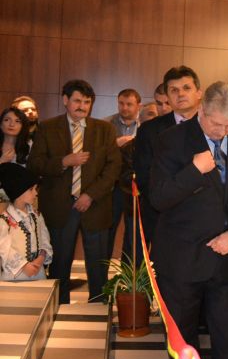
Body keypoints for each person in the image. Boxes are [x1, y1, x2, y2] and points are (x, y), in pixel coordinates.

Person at [149, 81, 228, 359]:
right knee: (184, 339)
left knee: (227, 337)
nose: (223, 132)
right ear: (201, 110)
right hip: (182, 257)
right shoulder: (171, 140)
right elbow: (158, 197)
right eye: (217, 124)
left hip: (227, 256)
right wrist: (193, 170)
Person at [28, 79, 121, 304]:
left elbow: (113, 168)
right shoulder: (48, 128)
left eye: (87, 102)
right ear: (65, 100)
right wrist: (64, 161)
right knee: (60, 262)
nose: (82, 106)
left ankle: (98, 305)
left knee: (98, 263)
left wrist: (90, 195)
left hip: (95, 206)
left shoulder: (105, 130)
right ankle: (59, 305)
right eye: (77, 101)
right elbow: (35, 164)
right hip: (60, 207)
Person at [134, 66, 202, 247]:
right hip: (163, 217)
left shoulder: (213, 126)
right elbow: (144, 176)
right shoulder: (149, 130)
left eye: (186, 88)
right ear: (168, 96)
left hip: (205, 218)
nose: (181, 94)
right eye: (174, 90)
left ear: (199, 93)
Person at [104, 89, 142, 259]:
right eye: (121, 103)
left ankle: (129, 271)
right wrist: (115, 144)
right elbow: (97, 154)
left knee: (133, 232)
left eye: (129, 104)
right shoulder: (106, 124)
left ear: (138, 105)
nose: (124, 108)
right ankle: (102, 272)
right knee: (108, 229)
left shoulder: (146, 124)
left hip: (136, 187)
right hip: (112, 186)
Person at [0, 163, 52, 281]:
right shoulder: (4, 220)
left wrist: (41, 257)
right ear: (18, 192)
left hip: (37, 272)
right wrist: (24, 266)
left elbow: (45, 240)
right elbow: (4, 249)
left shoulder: (37, 216)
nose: (36, 193)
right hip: (15, 275)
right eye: (31, 189)